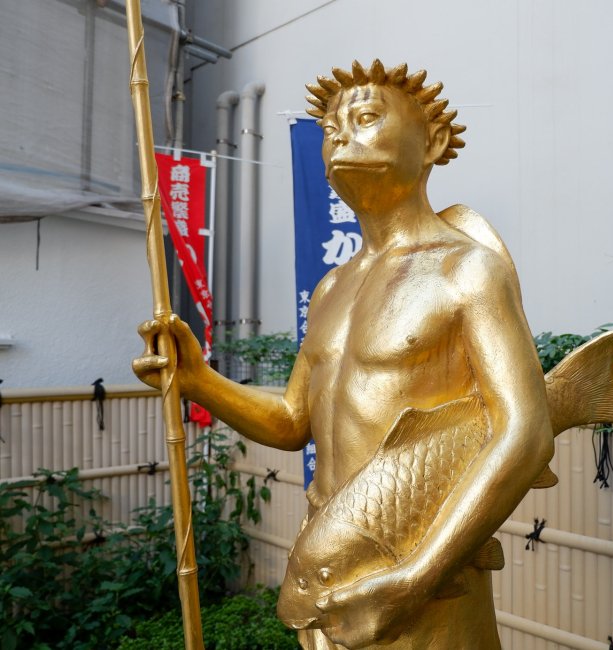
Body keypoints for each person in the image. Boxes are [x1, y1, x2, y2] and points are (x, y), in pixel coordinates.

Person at [134, 59, 555, 650]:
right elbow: (293, 420)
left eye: (365, 118)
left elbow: (527, 432)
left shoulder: (467, 269)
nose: (341, 136)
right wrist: (200, 380)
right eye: (332, 128)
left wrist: (417, 577)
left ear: (431, 140)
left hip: (430, 582)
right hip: (330, 562)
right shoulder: (333, 287)